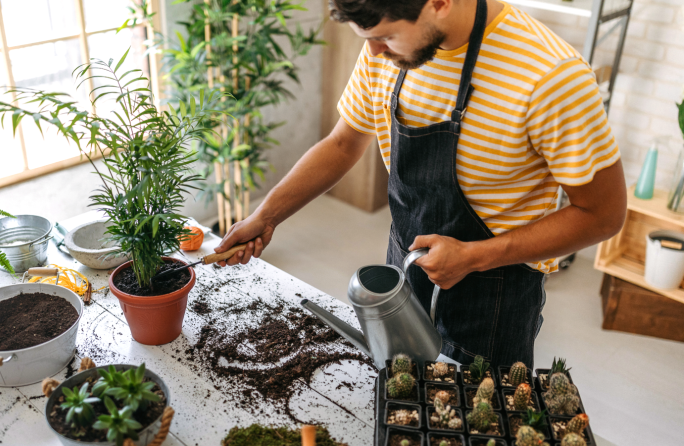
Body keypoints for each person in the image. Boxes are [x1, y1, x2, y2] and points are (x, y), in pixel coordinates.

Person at [212, 0, 627, 368]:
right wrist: (266, 216)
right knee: (402, 397)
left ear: (440, 3)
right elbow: (343, 143)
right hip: (404, 267)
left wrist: (474, 256)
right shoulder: (384, 51)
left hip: (493, 295)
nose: (373, 51)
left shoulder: (552, 77)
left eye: (386, 36)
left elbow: (603, 215)